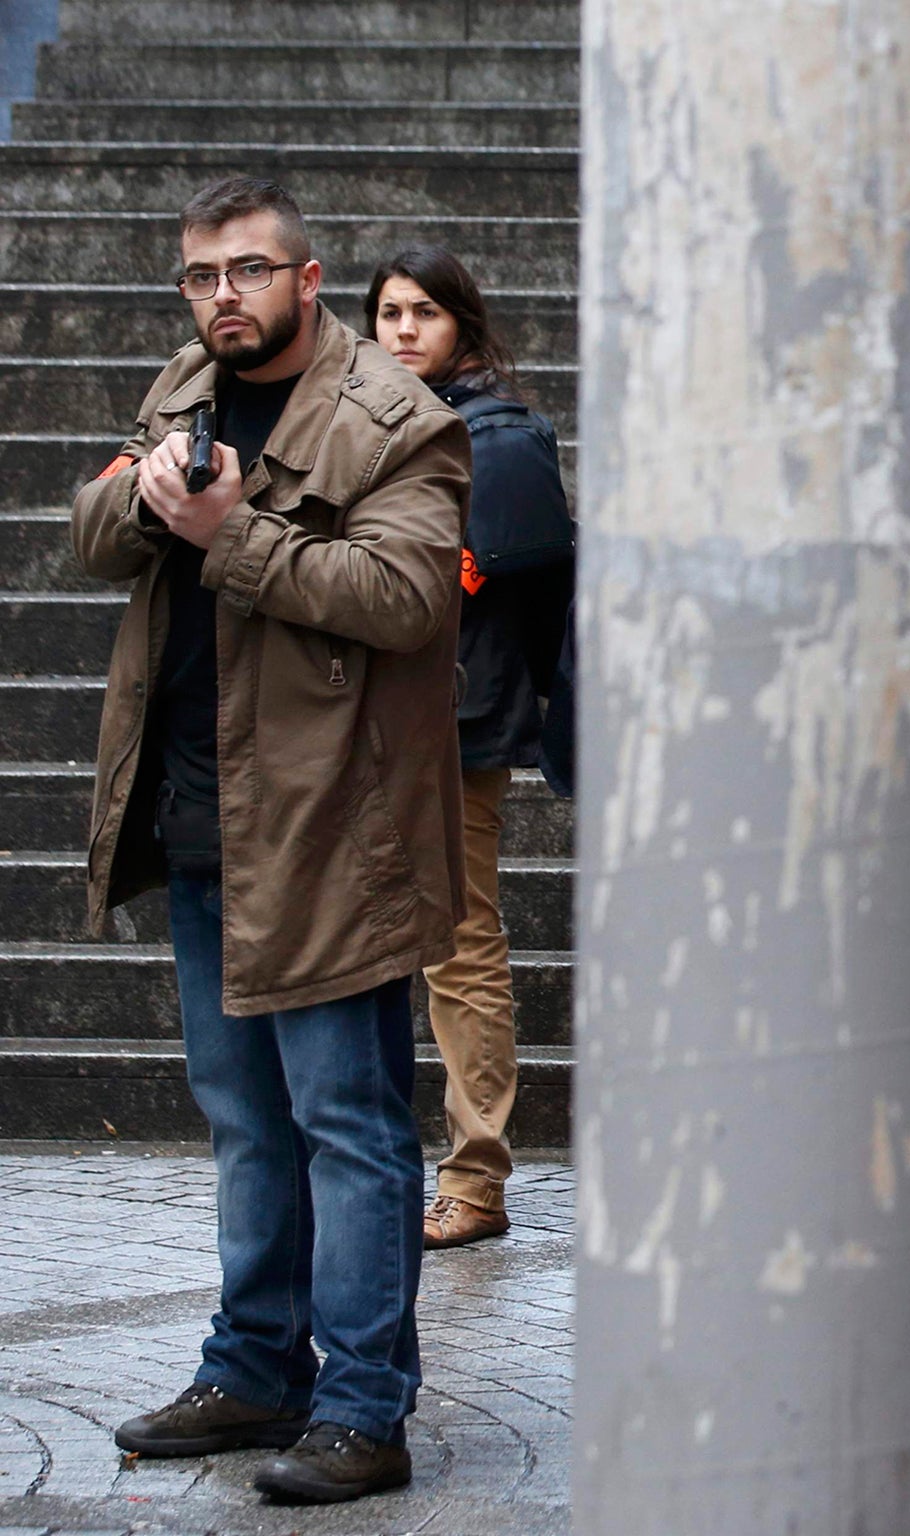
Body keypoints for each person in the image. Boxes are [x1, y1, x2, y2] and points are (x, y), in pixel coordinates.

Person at [73, 176, 469, 1502]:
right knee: (246, 1121)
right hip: (201, 815)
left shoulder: (395, 420)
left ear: (307, 281)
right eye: (200, 275)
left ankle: (362, 1410)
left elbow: (408, 600)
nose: (221, 296)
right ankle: (254, 1368)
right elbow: (90, 537)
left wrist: (227, 533)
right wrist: (149, 500)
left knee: (348, 1127)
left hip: (333, 832)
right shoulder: (184, 388)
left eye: (247, 271)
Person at [367, 246, 574, 1251]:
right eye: (390, 313)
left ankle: (475, 1174)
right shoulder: (360, 422)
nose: (404, 330)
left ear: (463, 325)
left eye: (425, 313)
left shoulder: (498, 438)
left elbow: (458, 582)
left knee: (458, 945)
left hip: (455, 719)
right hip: (352, 717)